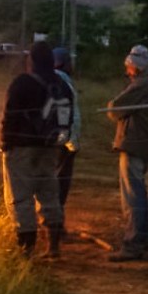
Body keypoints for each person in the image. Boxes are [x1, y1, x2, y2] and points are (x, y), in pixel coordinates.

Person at [0, 41, 72, 259]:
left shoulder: (22, 83)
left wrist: (5, 143)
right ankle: (54, 247)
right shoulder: (62, 85)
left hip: (22, 149)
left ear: (31, 60)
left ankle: (26, 250)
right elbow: (67, 119)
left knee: (22, 198)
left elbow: (10, 116)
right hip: (51, 149)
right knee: (50, 195)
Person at [106, 44, 148, 262]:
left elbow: (114, 109)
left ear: (136, 66)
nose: (127, 71)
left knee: (133, 197)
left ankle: (133, 244)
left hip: (135, 145)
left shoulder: (143, 85)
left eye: (129, 67)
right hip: (143, 144)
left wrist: (116, 109)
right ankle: (143, 241)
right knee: (138, 193)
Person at [52, 47, 81, 220]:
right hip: (63, 141)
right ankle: (54, 223)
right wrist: (69, 140)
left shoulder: (58, 79)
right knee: (60, 182)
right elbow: (66, 112)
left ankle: (52, 221)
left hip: (58, 139)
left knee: (56, 181)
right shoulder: (61, 80)